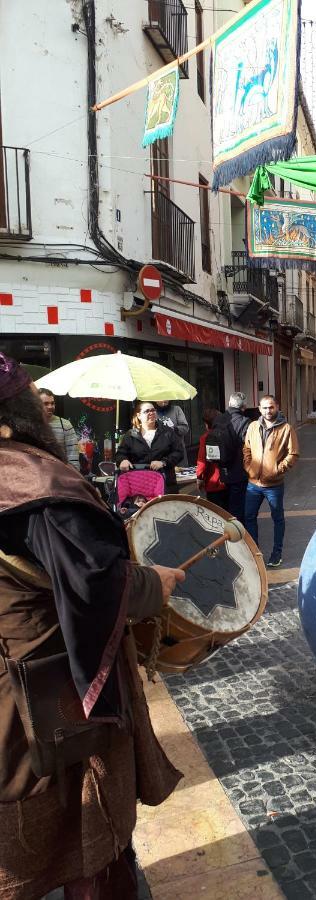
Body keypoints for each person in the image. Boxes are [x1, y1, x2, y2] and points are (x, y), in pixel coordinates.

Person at [0, 353, 185, 899]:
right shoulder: (30, 481)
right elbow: (94, 582)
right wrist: (153, 584)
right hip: (48, 685)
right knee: (78, 825)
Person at [243, 395, 299, 568]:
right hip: (253, 484)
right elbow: (247, 448)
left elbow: (293, 453)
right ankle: (255, 552)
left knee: (277, 518)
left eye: (271, 407)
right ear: (259, 409)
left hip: (273, 485)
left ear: (277, 407)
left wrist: (278, 469)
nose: (268, 411)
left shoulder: (286, 428)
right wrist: (249, 467)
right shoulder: (253, 426)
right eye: (265, 408)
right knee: (249, 516)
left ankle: (277, 553)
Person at [116, 401, 184, 489]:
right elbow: (120, 454)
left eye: (153, 410)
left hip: (164, 483)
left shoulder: (167, 432)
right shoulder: (130, 435)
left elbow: (179, 452)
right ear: (139, 415)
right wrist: (123, 460)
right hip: (139, 484)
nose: (151, 413)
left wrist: (163, 462)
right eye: (147, 411)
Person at [222, 392, 251, 521]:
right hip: (238, 471)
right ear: (244, 407)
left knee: (225, 506)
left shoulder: (219, 419)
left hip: (221, 471)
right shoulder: (245, 422)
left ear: (229, 403)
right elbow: (249, 446)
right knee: (238, 507)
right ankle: (238, 534)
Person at [38, 387, 79, 469]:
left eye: (52, 403)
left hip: (60, 474)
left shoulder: (65, 425)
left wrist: (74, 477)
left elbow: (73, 457)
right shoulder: (29, 424)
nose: (50, 406)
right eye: (45, 403)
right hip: (37, 474)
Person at [196, 408, 228, 509]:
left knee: (216, 511)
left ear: (206, 423)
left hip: (212, 480)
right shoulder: (228, 434)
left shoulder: (206, 437)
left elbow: (202, 461)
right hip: (229, 479)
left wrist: (199, 477)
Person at [153, 398, 190, 465]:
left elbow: (185, 428)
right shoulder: (153, 412)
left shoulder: (176, 409)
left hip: (177, 449)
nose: (164, 403)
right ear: (156, 401)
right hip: (160, 452)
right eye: (161, 402)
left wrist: (173, 429)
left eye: (166, 402)